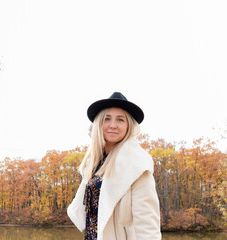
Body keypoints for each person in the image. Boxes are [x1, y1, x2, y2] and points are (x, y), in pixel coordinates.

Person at [67, 92, 161, 240]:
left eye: (120, 120)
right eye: (107, 119)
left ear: (128, 126)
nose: (113, 125)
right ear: (99, 124)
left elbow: (147, 224)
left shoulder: (137, 165)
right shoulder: (94, 163)